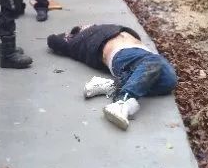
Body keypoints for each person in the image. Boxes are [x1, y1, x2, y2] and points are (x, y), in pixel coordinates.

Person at [47, 24, 178, 131]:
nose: (85, 24)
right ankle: (122, 101)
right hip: (122, 55)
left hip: (142, 56)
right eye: (81, 27)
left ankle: (114, 85)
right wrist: (70, 36)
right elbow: (52, 40)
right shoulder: (77, 42)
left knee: (169, 81)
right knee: (154, 62)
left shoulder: (104, 28)